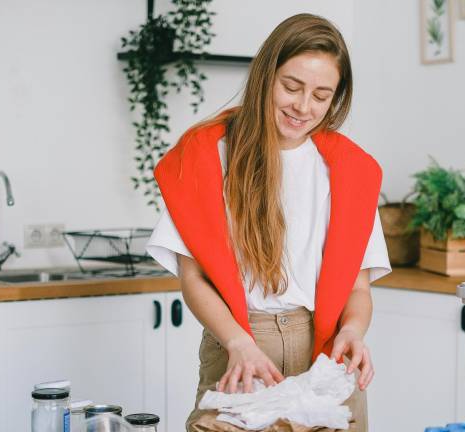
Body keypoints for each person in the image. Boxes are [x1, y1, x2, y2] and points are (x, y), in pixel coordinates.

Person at [145, 13, 391, 431]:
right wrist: (238, 342)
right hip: (239, 344)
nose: (303, 106)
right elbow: (193, 278)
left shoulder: (351, 170)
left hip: (325, 351)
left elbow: (358, 287)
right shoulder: (208, 154)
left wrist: (352, 330)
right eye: (291, 87)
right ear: (265, 77)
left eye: (321, 95)